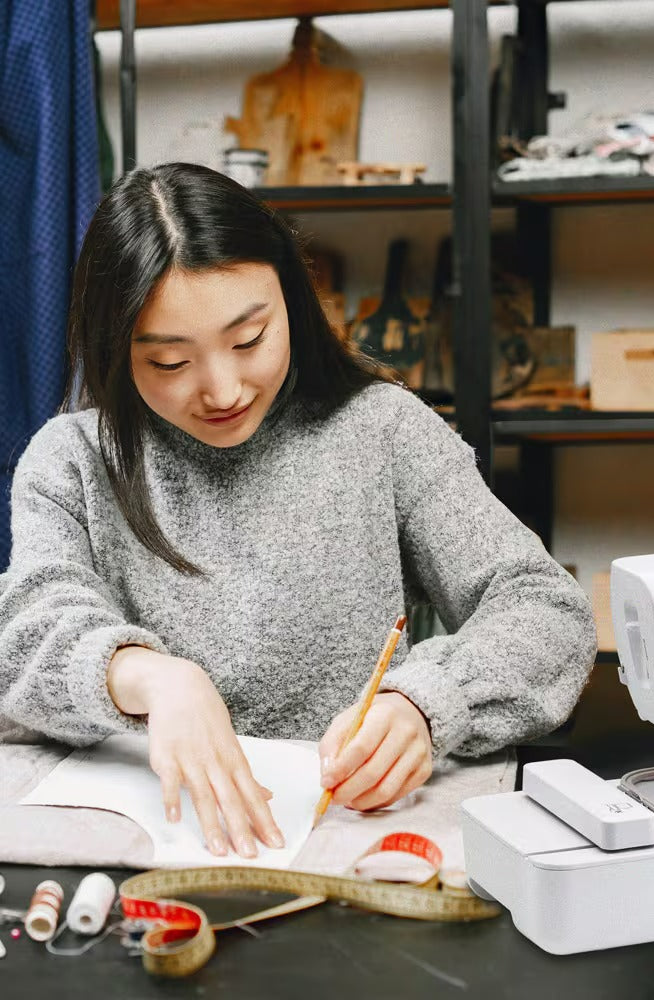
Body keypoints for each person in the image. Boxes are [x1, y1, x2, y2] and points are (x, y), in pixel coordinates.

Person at [0, 163, 596, 859]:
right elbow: (25, 636)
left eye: (249, 340)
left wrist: (427, 703)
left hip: (339, 846)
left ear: (293, 298)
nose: (223, 389)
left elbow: (545, 609)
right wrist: (150, 679)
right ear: (113, 349)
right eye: (169, 363)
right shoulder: (72, 458)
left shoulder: (383, 430)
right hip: (137, 851)